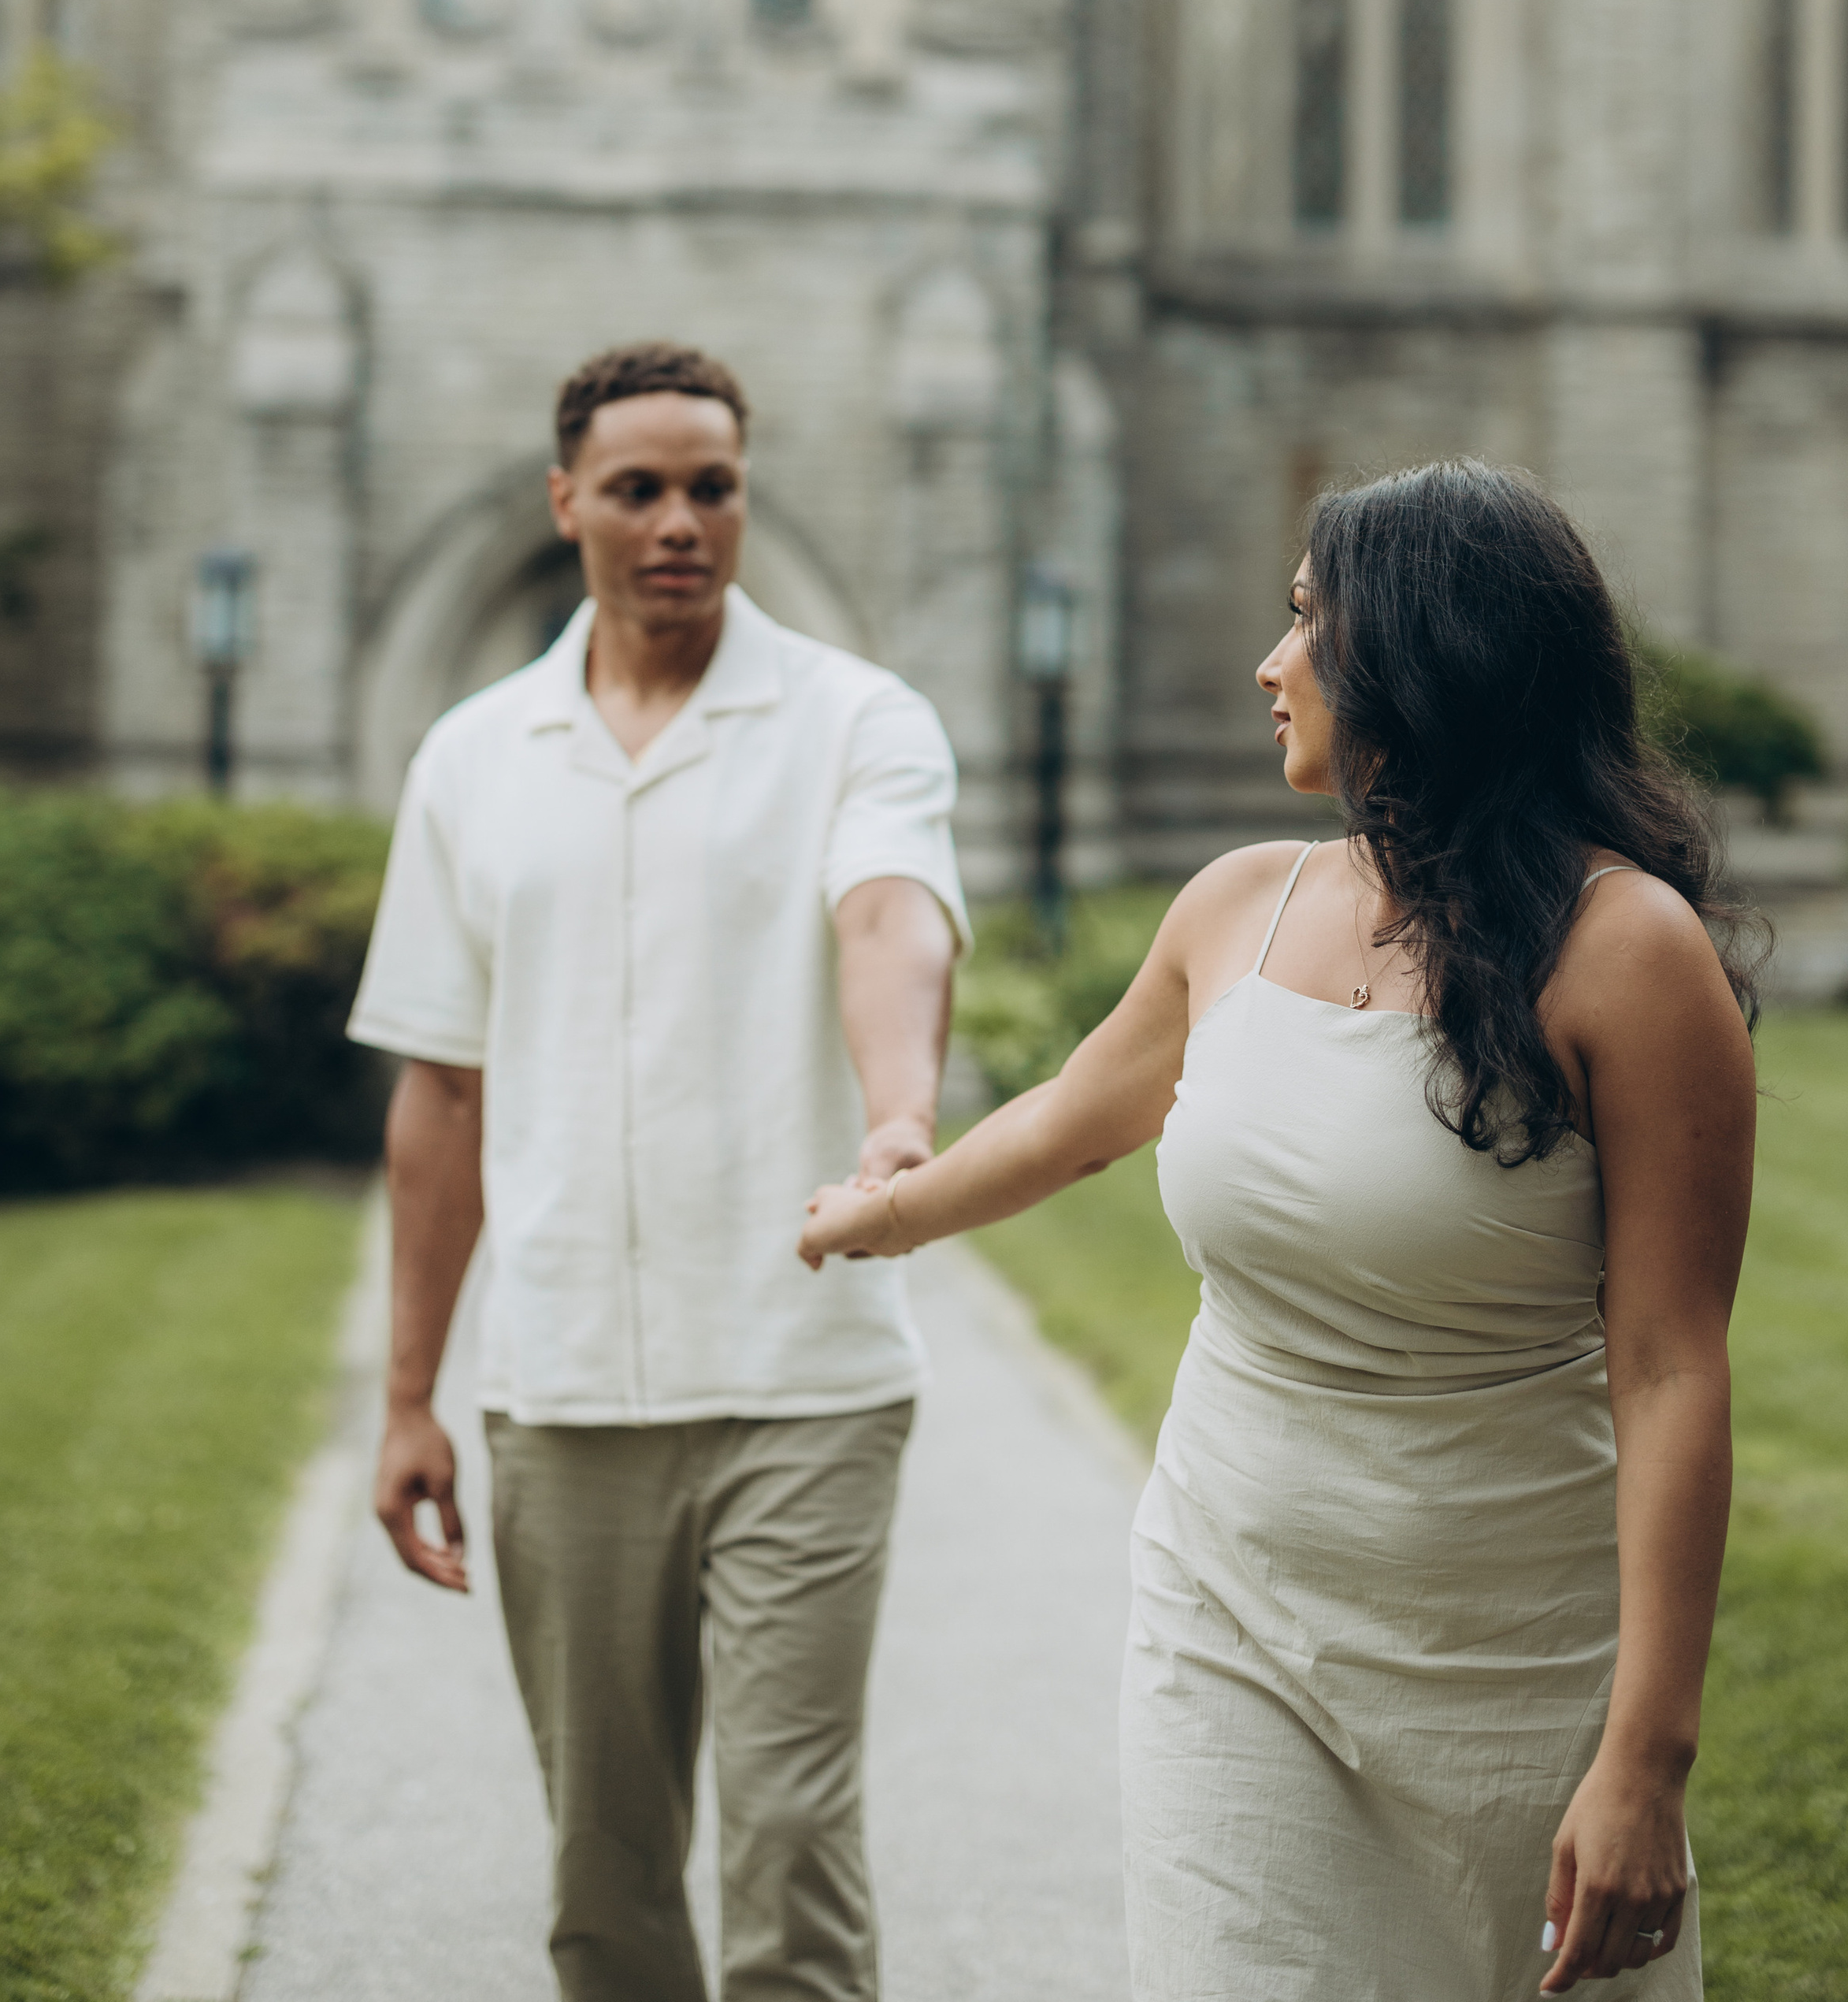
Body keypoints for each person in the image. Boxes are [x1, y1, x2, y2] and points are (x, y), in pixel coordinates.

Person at [801, 461, 1758, 2001]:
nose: (1269, 661)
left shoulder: (1625, 953)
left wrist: (1642, 1762)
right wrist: (891, 1206)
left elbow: (1666, 1371)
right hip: (1225, 1614)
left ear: (1421, 655)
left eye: (1308, 620)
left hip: (1508, 1654)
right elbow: (1075, 1113)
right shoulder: (1239, 901)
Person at [349, 339, 968, 2002]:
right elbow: (441, 1089)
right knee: (602, 1881)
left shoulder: (857, 720)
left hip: (805, 1387)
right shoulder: (472, 758)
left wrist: (897, 1114)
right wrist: (412, 1395)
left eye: (713, 487)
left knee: (788, 1852)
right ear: (567, 505)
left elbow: (889, 915)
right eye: (639, 489)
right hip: (563, 1399)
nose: (680, 521)